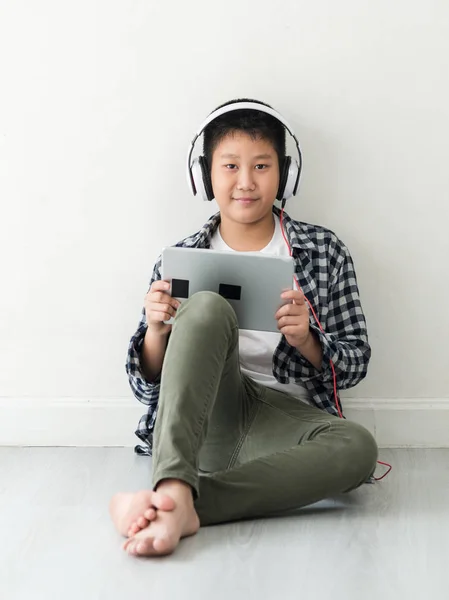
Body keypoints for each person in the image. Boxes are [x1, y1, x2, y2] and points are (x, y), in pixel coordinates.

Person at [109, 98, 379, 558]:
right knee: (210, 309)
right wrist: (157, 331)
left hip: (277, 424)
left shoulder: (324, 251)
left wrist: (308, 340)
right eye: (230, 165)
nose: (246, 182)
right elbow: (147, 385)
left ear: (285, 174)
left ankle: (181, 504)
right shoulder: (179, 258)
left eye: (261, 166)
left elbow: (355, 364)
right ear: (205, 175)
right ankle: (175, 484)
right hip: (204, 420)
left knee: (358, 447)